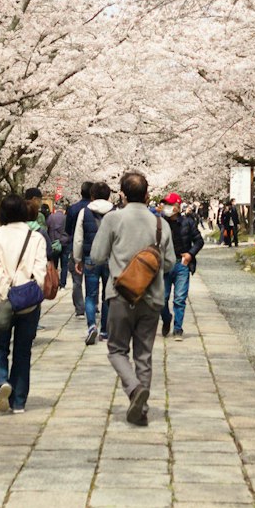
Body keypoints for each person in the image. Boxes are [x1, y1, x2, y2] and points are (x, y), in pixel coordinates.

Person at [90, 170, 175, 427]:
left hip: (120, 295)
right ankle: (143, 408)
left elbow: (96, 256)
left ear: (122, 194)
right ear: (148, 195)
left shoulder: (113, 220)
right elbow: (170, 263)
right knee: (144, 354)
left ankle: (134, 389)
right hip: (152, 299)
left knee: (116, 350)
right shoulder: (161, 224)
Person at [0, 193, 48, 414]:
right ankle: (19, 401)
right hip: (28, 302)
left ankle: (2, 381)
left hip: (2, 302)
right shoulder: (36, 237)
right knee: (23, 351)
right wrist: (28, 289)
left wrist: (7, 294)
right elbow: (40, 273)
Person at [73, 181, 114, 345]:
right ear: (109, 195)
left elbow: (78, 238)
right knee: (107, 295)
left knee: (90, 295)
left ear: (92, 195)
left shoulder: (85, 212)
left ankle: (91, 326)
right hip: (110, 258)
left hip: (91, 257)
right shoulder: (115, 211)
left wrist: (77, 259)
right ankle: (105, 330)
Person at [158, 192, 204, 340]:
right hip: (164, 264)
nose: (167, 207)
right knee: (161, 299)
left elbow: (199, 241)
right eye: (166, 204)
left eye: (170, 205)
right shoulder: (160, 222)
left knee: (179, 298)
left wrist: (190, 254)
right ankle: (166, 319)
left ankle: (178, 328)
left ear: (177, 206)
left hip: (181, 264)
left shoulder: (188, 222)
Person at [64, 182, 91, 314]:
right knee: (92, 278)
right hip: (91, 246)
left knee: (77, 280)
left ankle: (79, 308)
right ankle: (93, 304)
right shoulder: (93, 209)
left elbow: (67, 229)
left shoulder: (73, 208)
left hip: (74, 246)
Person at [46, 200, 67, 285]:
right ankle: (63, 284)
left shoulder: (51, 217)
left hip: (54, 243)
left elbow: (47, 228)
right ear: (63, 210)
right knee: (64, 265)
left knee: (54, 264)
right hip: (64, 242)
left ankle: (55, 281)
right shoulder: (66, 217)